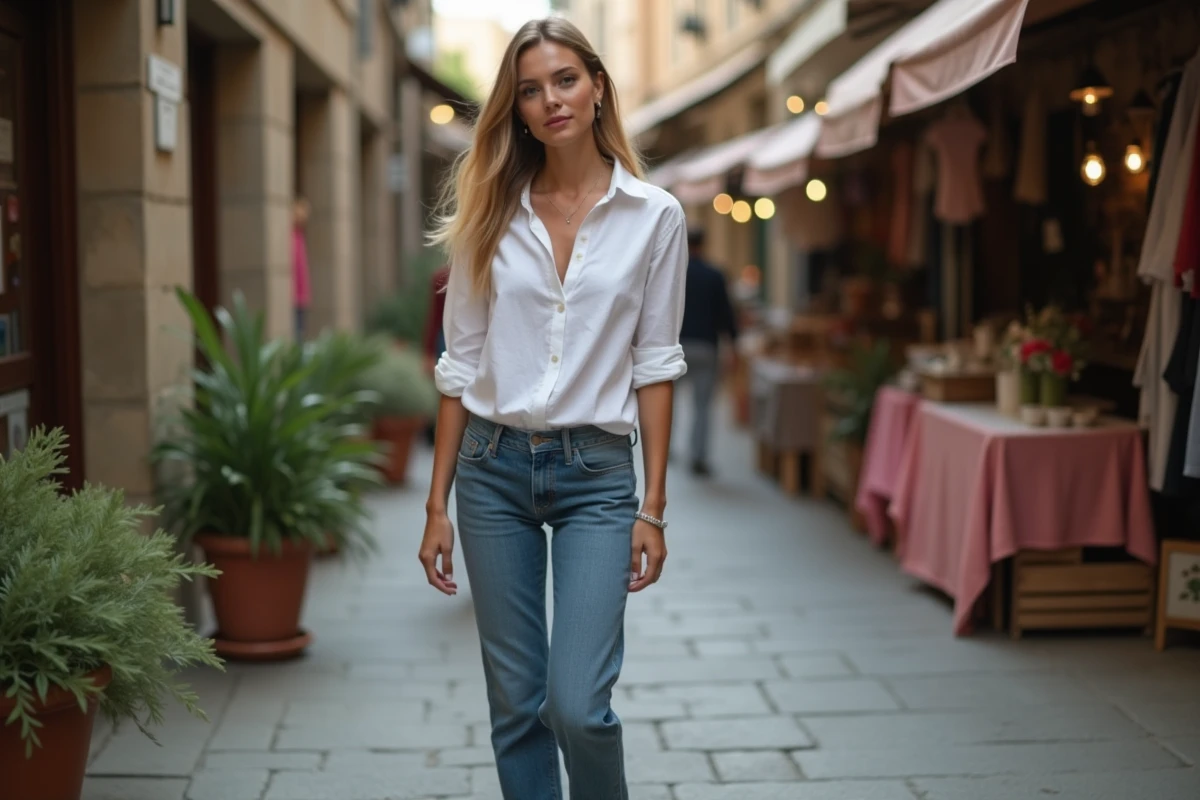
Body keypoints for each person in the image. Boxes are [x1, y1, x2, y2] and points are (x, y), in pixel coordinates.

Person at [418, 17, 688, 800]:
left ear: (598, 86)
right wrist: (436, 504)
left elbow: (657, 362)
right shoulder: (489, 209)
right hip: (492, 471)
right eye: (530, 90)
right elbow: (459, 363)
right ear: (519, 109)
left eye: (565, 80)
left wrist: (655, 507)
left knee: (578, 706)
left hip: (598, 476)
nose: (550, 101)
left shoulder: (654, 216)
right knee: (516, 704)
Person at [675, 227, 738, 477]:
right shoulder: (715, 275)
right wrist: (733, 344)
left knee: (669, 402)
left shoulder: (674, 274)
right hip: (705, 346)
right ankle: (698, 456)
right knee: (702, 406)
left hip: (675, 347)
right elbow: (726, 314)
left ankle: (665, 450)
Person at [292, 197, 311, 340]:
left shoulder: (299, 236)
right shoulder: (291, 237)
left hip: (301, 296)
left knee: (300, 333)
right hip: (293, 296)